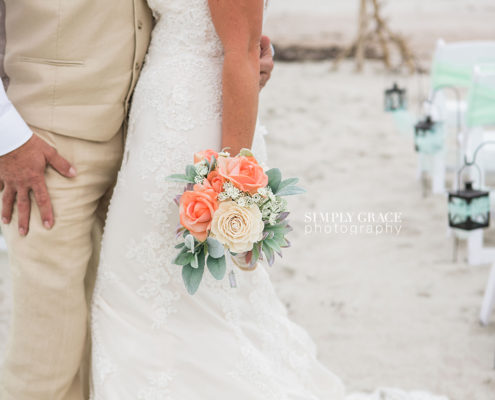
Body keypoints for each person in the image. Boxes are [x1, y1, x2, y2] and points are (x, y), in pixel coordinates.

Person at [0, 1, 274, 399]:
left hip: (152, 141)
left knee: (122, 329)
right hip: (48, 143)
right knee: (49, 335)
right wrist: (8, 139)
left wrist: (243, 53)